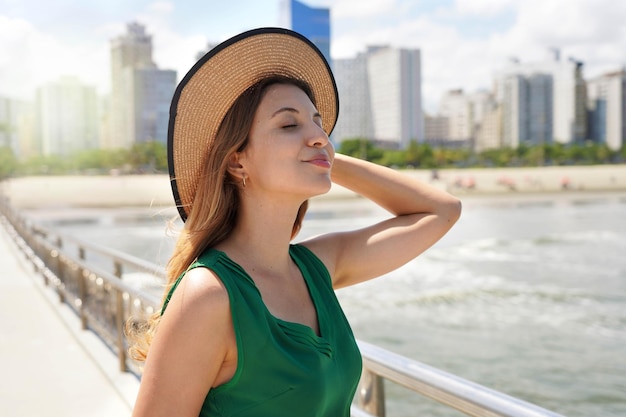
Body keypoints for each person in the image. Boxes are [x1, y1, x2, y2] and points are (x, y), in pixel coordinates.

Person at [127, 27, 462, 417]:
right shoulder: (208, 295)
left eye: (319, 124)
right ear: (237, 160)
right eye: (290, 125)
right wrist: (314, 154)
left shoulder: (316, 267)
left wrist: (323, 157)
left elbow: (442, 211)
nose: (319, 136)